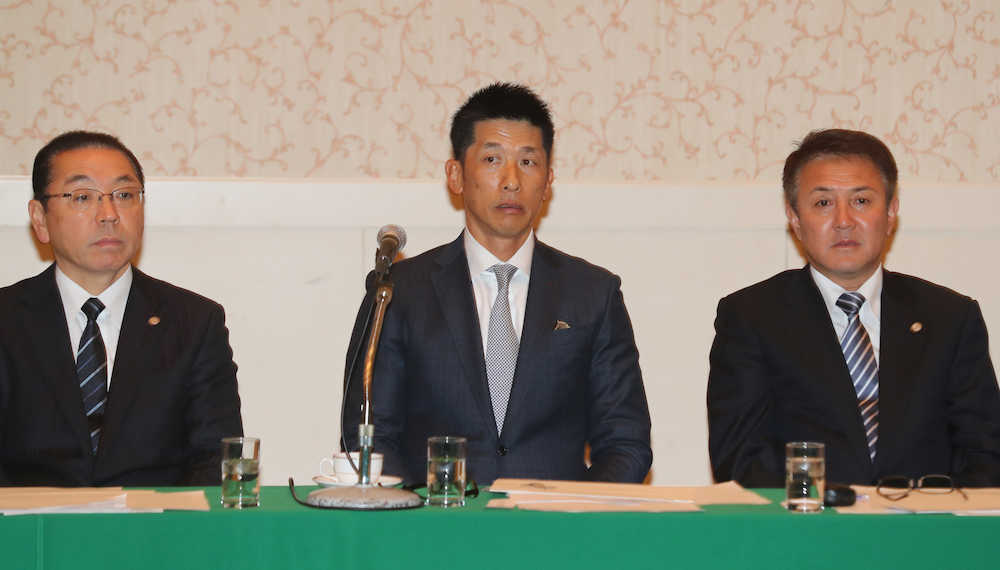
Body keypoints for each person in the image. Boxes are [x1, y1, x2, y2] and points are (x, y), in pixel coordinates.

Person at [343, 83, 652, 485]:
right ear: (456, 175)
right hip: (434, 519)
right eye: (492, 159)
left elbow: (626, 444)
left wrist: (576, 512)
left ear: (548, 180)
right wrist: (419, 514)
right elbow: (370, 438)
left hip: (557, 521)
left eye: (528, 162)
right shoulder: (399, 292)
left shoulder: (593, 294)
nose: (511, 181)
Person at [708, 128, 1000, 487]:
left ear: (891, 212)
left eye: (861, 201)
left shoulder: (950, 318)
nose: (844, 221)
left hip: (926, 521)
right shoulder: (751, 318)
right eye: (823, 203)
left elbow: (985, 457)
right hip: (806, 520)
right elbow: (740, 462)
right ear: (795, 217)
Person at [0, 131, 243, 486]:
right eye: (82, 197)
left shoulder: (194, 323)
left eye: (125, 195)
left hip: (158, 521)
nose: (109, 215)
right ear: (40, 219)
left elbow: (216, 461)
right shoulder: (7, 320)